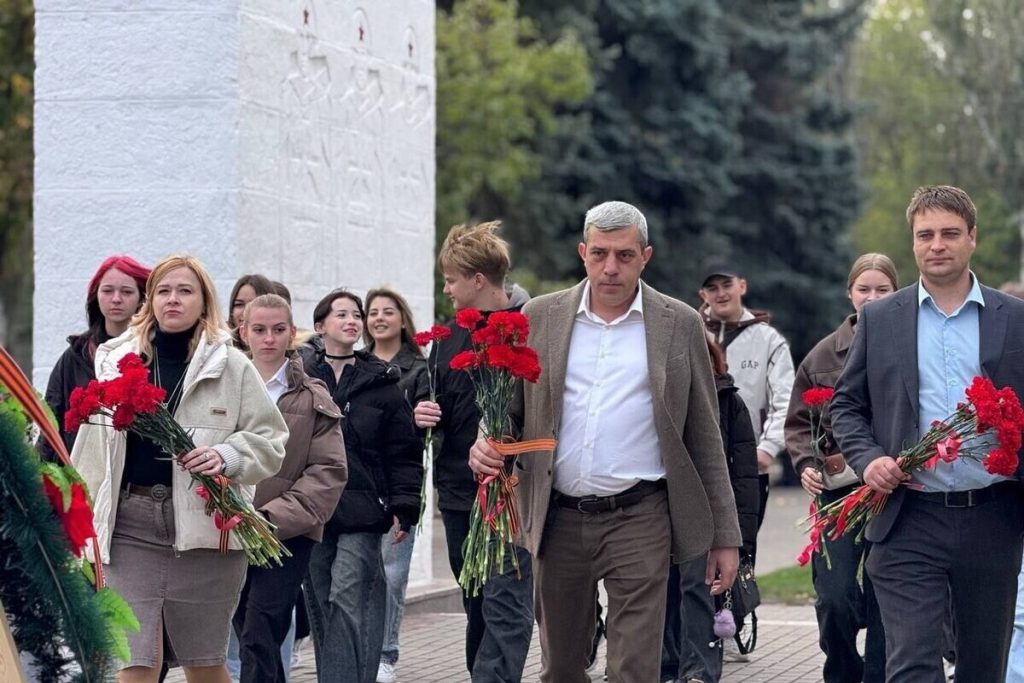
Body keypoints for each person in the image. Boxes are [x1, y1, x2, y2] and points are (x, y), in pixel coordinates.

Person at [469, 201, 741, 683]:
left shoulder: (677, 323)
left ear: (645, 256)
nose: (610, 268)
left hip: (641, 517)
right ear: (583, 252)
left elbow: (704, 436)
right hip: (558, 516)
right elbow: (509, 411)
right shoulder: (542, 316)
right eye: (599, 254)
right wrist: (487, 443)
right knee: (562, 668)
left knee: (635, 668)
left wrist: (725, 536)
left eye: (624, 255)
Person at [832, 185, 1024, 681]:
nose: (937, 244)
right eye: (925, 235)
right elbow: (847, 406)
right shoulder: (879, 319)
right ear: (913, 242)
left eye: (949, 233)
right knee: (913, 664)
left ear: (972, 238)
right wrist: (868, 457)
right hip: (908, 518)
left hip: (993, 518)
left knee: (983, 667)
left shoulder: (1016, 319)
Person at [70, 254, 288, 682]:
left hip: (206, 530)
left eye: (185, 291)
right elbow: (93, 451)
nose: (173, 299)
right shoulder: (114, 359)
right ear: (150, 300)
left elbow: (271, 441)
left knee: (204, 664)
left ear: (204, 303)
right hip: (129, 528)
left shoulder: (233, 365)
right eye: (164, 291)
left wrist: (227, 456)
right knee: (134, 663)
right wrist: (79, 525)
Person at [413, 221, 536, 683]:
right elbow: (438, 404)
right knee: (477, 601)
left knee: (506, 601)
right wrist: (421, 410)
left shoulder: (529, 326)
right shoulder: (449, 339)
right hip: (459, 493)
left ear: (478, 281)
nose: (445, 288)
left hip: (511, 492)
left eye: (450, 279)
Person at [784, 253, 898, 683]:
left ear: (897, 292)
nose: (871, 299)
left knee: (888, 598)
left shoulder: (907, 344)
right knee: (836, 597)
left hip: (896, 492)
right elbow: (798, 423)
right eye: (863, 289)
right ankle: (842, 671)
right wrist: (805, 462)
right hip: (840, 495)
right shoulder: (822, 356)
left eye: (882, 290)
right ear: (849, 293)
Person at [299, 289, 422, 683]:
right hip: (312, 509)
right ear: (321, 327)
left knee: (347, 597)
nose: (352, 321)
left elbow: (403, 451)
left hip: (365, 511)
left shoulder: (383, 384)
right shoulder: (300, 379)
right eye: (342, 315)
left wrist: (404, 505)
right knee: (321, 602)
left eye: (357, 315)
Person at [232, 294, 348, 683]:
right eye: (259, 329)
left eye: (278, 329)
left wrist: (268, 518)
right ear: (243, 331)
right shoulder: (223, 387)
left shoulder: (313, 395)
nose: (269, 339)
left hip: (286, 534)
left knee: (260, 630)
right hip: (228, 529)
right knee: (247, 630)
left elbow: (328, 472)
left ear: (291, 332)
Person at [661, 331, 759, 683]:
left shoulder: (728, 400)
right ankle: (663, 664)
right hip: (656, 507)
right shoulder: (657, 396)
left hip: (706, 512)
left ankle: (699, 669)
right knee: (659, 588)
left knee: (698, 588)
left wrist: (741, 537)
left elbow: (745, 475)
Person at [363, 287, 430, 683]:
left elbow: (425, 429)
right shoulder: (356, 364)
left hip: (400, 481)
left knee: (392, 572)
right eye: (373, 312)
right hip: (359, 482)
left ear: (402, 319)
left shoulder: (419, 369)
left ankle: (387, 653)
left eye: (388, 311)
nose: (379, 318)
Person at [42, 254, 151, 460]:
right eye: (107, 291)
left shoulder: (152, 353)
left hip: (132, 478)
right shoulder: (76, 355)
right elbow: (50, 421)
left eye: (127, 291)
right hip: (81, 473)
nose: (116, 299)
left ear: (142, 298)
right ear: (96, 295)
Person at [227, 274, 276, 349]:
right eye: (239, 304)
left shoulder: (285, 356)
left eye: (253, 304)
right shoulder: (220, 352)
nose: (245, 312)